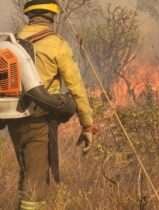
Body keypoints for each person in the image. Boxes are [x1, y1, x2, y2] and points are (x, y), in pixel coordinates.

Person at [6, 0, 95, 209]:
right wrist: (87, 125)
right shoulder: (57, 44)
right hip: (40, 122)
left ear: (29, 15)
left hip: (14, 120)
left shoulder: (12, 42)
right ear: (52, 17)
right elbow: (76, 88)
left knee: (27, 172)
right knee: (36, 185)